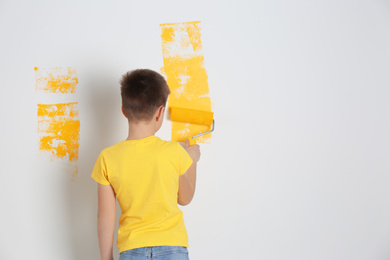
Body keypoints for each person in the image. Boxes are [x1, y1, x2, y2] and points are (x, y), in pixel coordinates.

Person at [91, 69, 200, 260]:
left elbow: (105, 217)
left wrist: (106, 258)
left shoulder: (107, 158)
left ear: (123, 110)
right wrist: (192, 160)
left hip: (132, 251)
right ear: (160, 113)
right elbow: (185, 198)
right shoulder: (174, 152)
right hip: (172, 248)